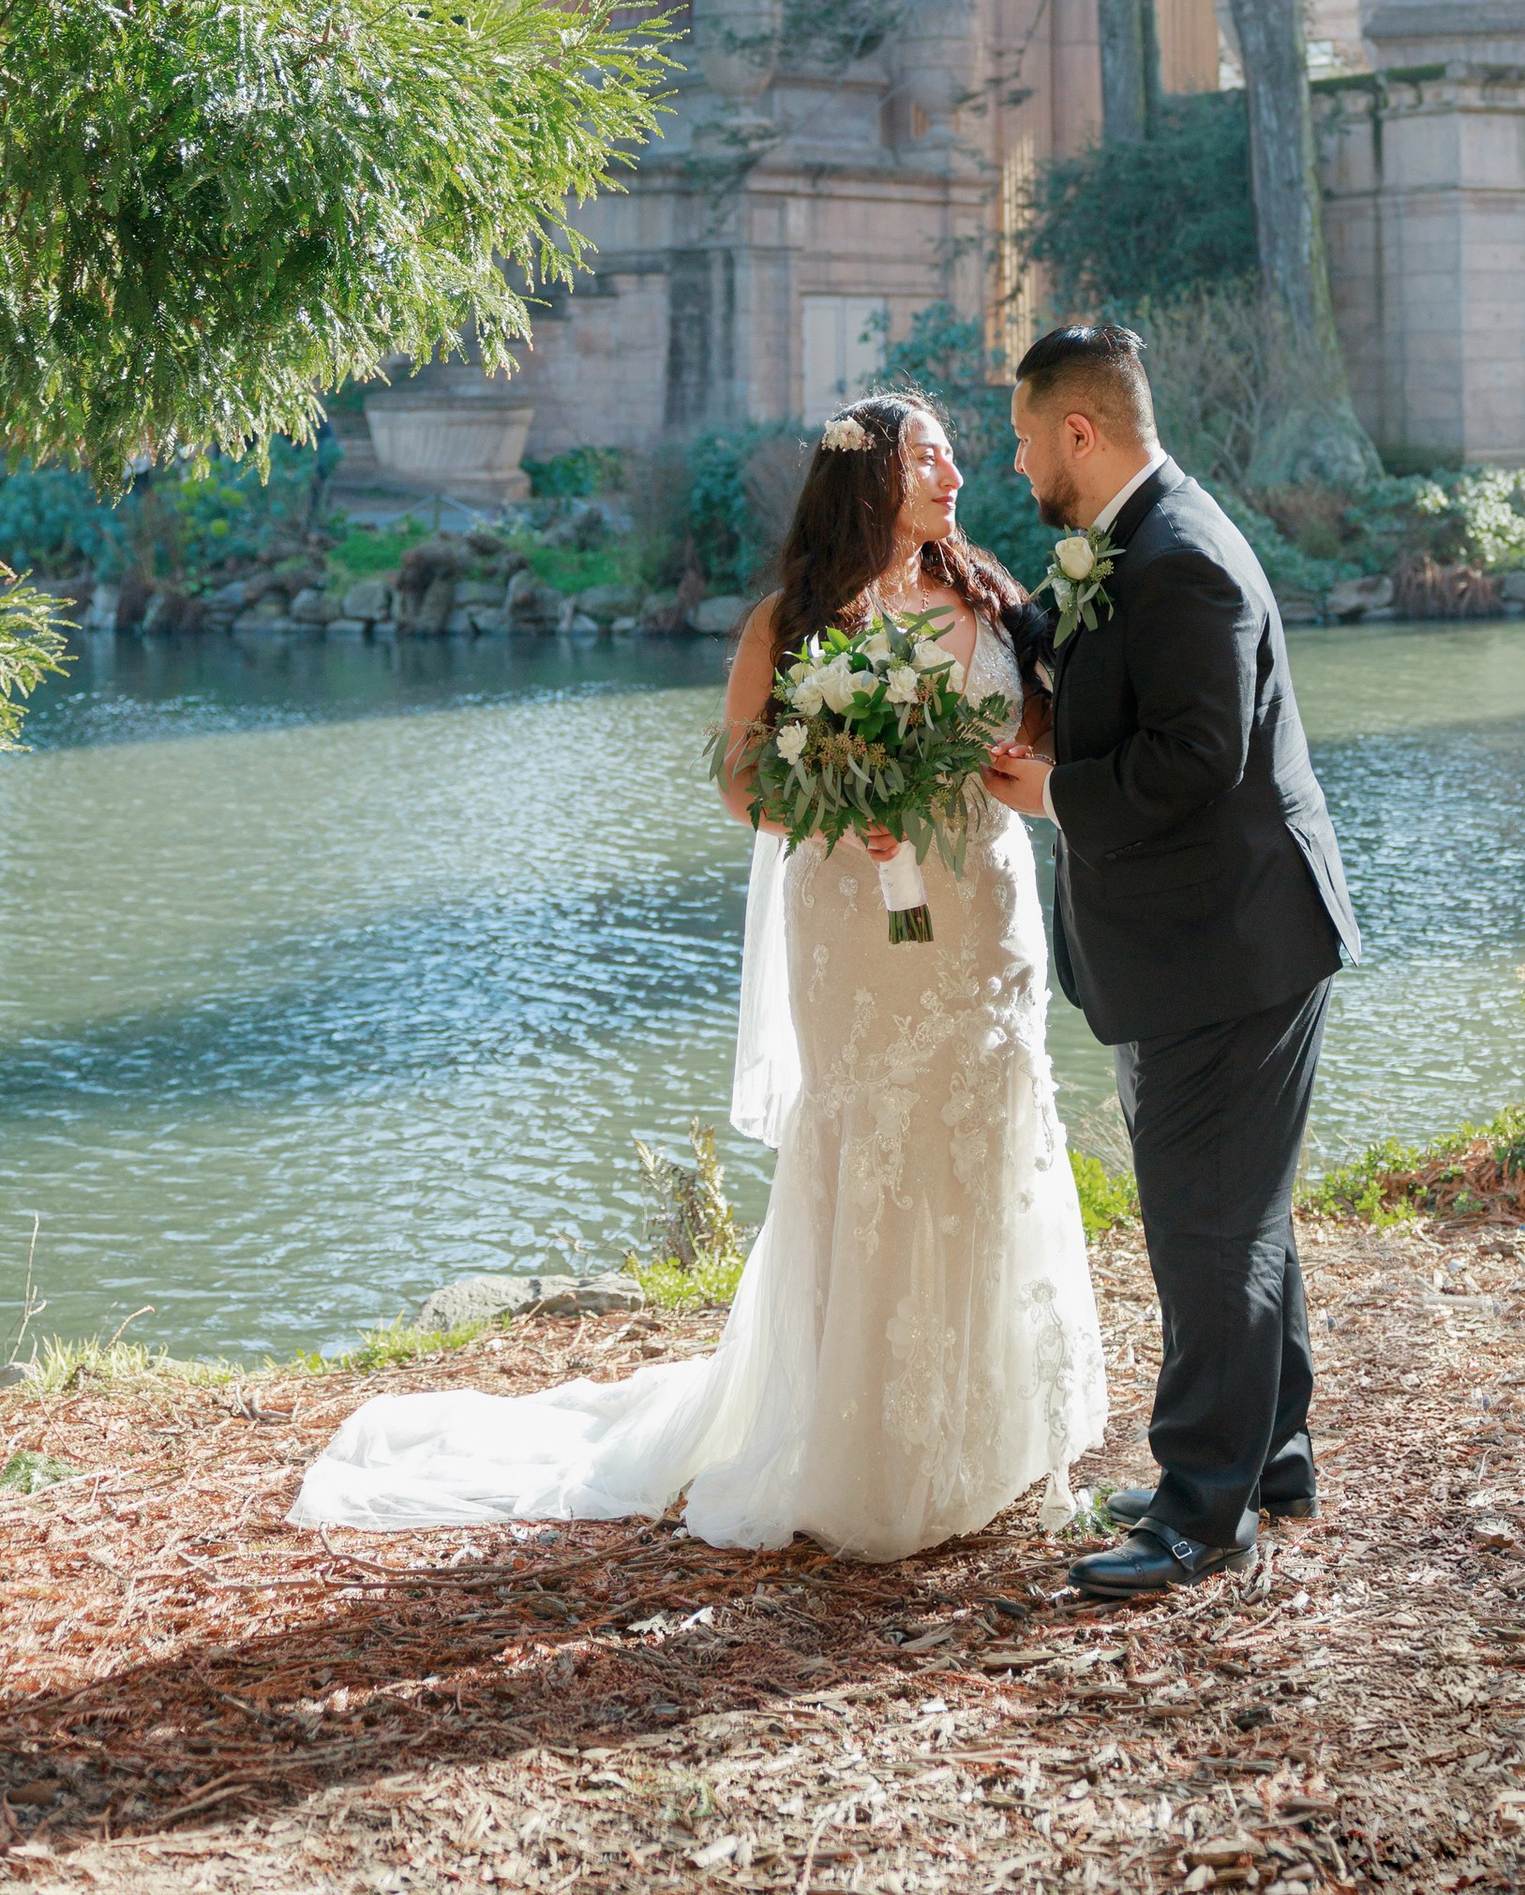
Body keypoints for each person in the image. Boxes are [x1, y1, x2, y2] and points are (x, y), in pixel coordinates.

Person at [291, 400, 1105, 1552]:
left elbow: (1050, 739)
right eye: (929, 457)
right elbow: (742, 786)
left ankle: (992, 1425)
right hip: (852, 922)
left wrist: (1020, 767)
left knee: (987, 1128)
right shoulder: (794, 622)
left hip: (983, 915)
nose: (954, 473)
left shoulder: (995, 598)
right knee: (873, 1136)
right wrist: (844, 802)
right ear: (870, 479)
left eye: (953, 457)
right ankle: (865, 1442)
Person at [984, 319, 1359, 1599]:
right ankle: (1271, 1462)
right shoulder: (1136, 540)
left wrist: (1052, 794)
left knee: (1208, 1230)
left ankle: (1202, 1514)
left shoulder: (1184, 558)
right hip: (1209, 941)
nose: (1017, 460)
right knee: (1237, 1216)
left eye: (1025, 438)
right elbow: (1089, 659)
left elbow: (1198, 759)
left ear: (1079, 431)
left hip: (1234, 948)